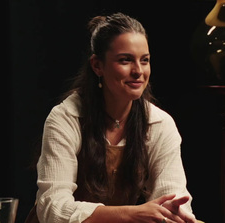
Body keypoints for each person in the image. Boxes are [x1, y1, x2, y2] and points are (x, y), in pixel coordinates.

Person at [32, 12, 197, 223]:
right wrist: (131, 213)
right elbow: (52, 208)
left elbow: (170, 194)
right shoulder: (66, 118)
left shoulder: (159, 124)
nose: (138, 71)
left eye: (144, 60)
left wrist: (173, 212)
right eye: (125, 60)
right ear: (97, 66)